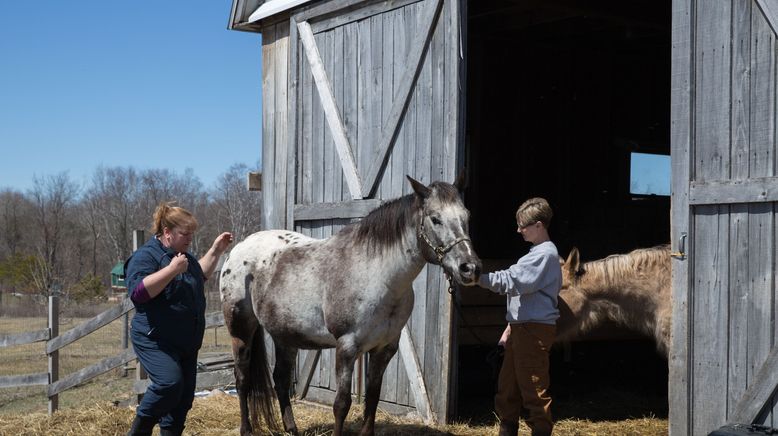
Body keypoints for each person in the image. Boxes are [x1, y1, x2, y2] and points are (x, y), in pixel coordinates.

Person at [125, 202, 233, 436]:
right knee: (169, 384)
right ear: (167, 233)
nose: (189, 239)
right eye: (185, 234)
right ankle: (138, 431)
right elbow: (138, 293)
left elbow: (200, 274)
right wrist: (172, 270)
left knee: (182, 400)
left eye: (191, 234)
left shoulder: (182, 257)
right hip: (156, 339)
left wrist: (216, 251)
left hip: (186, 342)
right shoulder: (146, 257)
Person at [476, 197, 561, 436]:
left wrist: (478, 279)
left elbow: (513, 281)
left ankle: (541, 431)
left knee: (533, 389)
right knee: (508, 388)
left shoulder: (544, 255)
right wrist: (510, 327)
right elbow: (523, 297)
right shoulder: (537, 254)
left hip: (533, 330)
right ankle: (507, 429)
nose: (518, 230)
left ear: (539, 225)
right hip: (522, 327)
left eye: (523, 225)